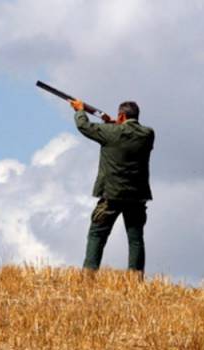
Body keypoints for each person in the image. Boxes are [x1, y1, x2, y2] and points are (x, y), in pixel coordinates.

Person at [70, 99, 154, 274]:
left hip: (111, 194)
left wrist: (79, 110)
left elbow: (84, 127)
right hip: (137, 195)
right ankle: (135, 277)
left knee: (97, 234)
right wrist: (114, 124)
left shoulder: (110, 132)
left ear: (121, 115)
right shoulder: (148, 134)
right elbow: (125, 133)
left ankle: (89, 274)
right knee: (136, 238)